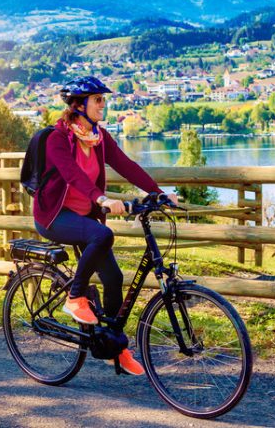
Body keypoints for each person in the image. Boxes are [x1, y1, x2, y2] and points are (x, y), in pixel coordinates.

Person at [32, 76, 177, 376]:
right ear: (79, 105)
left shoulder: (98, 138)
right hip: (55, 216)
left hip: (83, 216)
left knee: (113, 279)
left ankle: (114, 346)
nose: (103, 104)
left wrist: (157, 192)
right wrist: (100, 198)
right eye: (98, 99)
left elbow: (126, 165)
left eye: (103, 99)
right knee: (103, 234)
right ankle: (74, 298)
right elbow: (73, 176)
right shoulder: (58, 139)